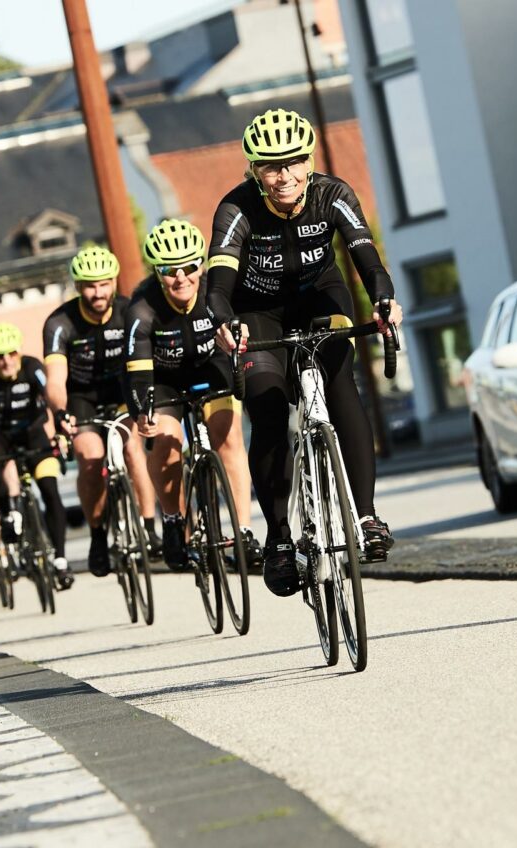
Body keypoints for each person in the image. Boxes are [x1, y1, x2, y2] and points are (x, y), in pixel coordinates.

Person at [207, 108, 403, 596]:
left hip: (322, 299)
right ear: (254, 170)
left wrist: (383, 300)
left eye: (294, 163)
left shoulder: (333, 194)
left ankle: (367, 516)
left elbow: (367, 259)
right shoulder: (236, 209)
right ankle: (278, 539)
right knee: (268, 406)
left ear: (308, 162)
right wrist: (224, 321)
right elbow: (218, 286)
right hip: (257, 313)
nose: (285, 176)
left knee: (341, 387)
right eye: (271, 167)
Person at [125, 219, 259, 570]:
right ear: (157, 272)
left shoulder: (216, 293)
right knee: (166, 443)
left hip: (210, 366)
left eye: (189, 266)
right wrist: (143, 414)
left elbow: (242, 336)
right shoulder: (142, 309)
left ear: (201, 264)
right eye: (170, 270)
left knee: (228, 439)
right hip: (163, 379)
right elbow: (138, 373)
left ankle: (243, 530)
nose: (181, 277)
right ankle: (172, 519)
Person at [44, 243, 161, 577]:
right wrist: (60, 411)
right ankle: (98, 535)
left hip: (123, 390)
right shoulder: (60, 323)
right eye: (90, 285)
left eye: (104, 283)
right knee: (90, 458)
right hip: (81, 397)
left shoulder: (129, 311)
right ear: (79, 287)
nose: (98, 292)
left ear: (114, 282)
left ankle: (149, 527)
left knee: (131, 448)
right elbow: (55, 379)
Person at [0, 321, 73, 589]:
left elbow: (49, 393)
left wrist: (61, 423)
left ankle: (60, 559)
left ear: (19, 352)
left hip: (33, 432)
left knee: (50, 489)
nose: (6, 361)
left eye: (11, 354)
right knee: (3, 468)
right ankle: (11, 512)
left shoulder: (31, 366)